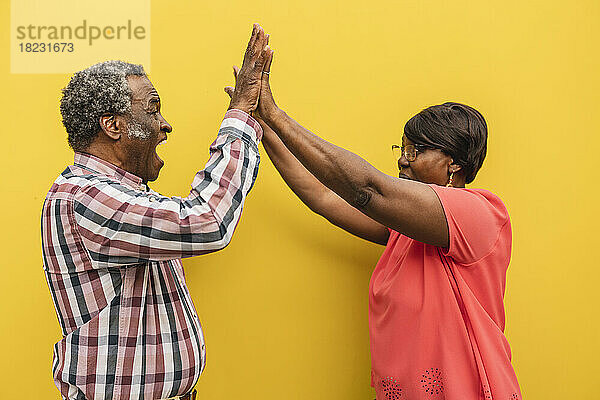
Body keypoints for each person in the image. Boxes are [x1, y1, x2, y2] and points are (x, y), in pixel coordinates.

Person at [226, 44, 521, 399]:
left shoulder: (479, 214)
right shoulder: (406, 231)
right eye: (402, 150)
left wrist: (275, 115)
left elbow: (367, 189)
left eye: (416, 151)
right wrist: (262, 126)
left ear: (454, 163)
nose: (404, 161)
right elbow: (323, 196)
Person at [41, 24, 270, 400]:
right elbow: (208, 220)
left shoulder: (119, 194)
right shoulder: (86, 197)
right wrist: (240, 115)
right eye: (153, 109)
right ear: (113, 125)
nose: (165, 125)